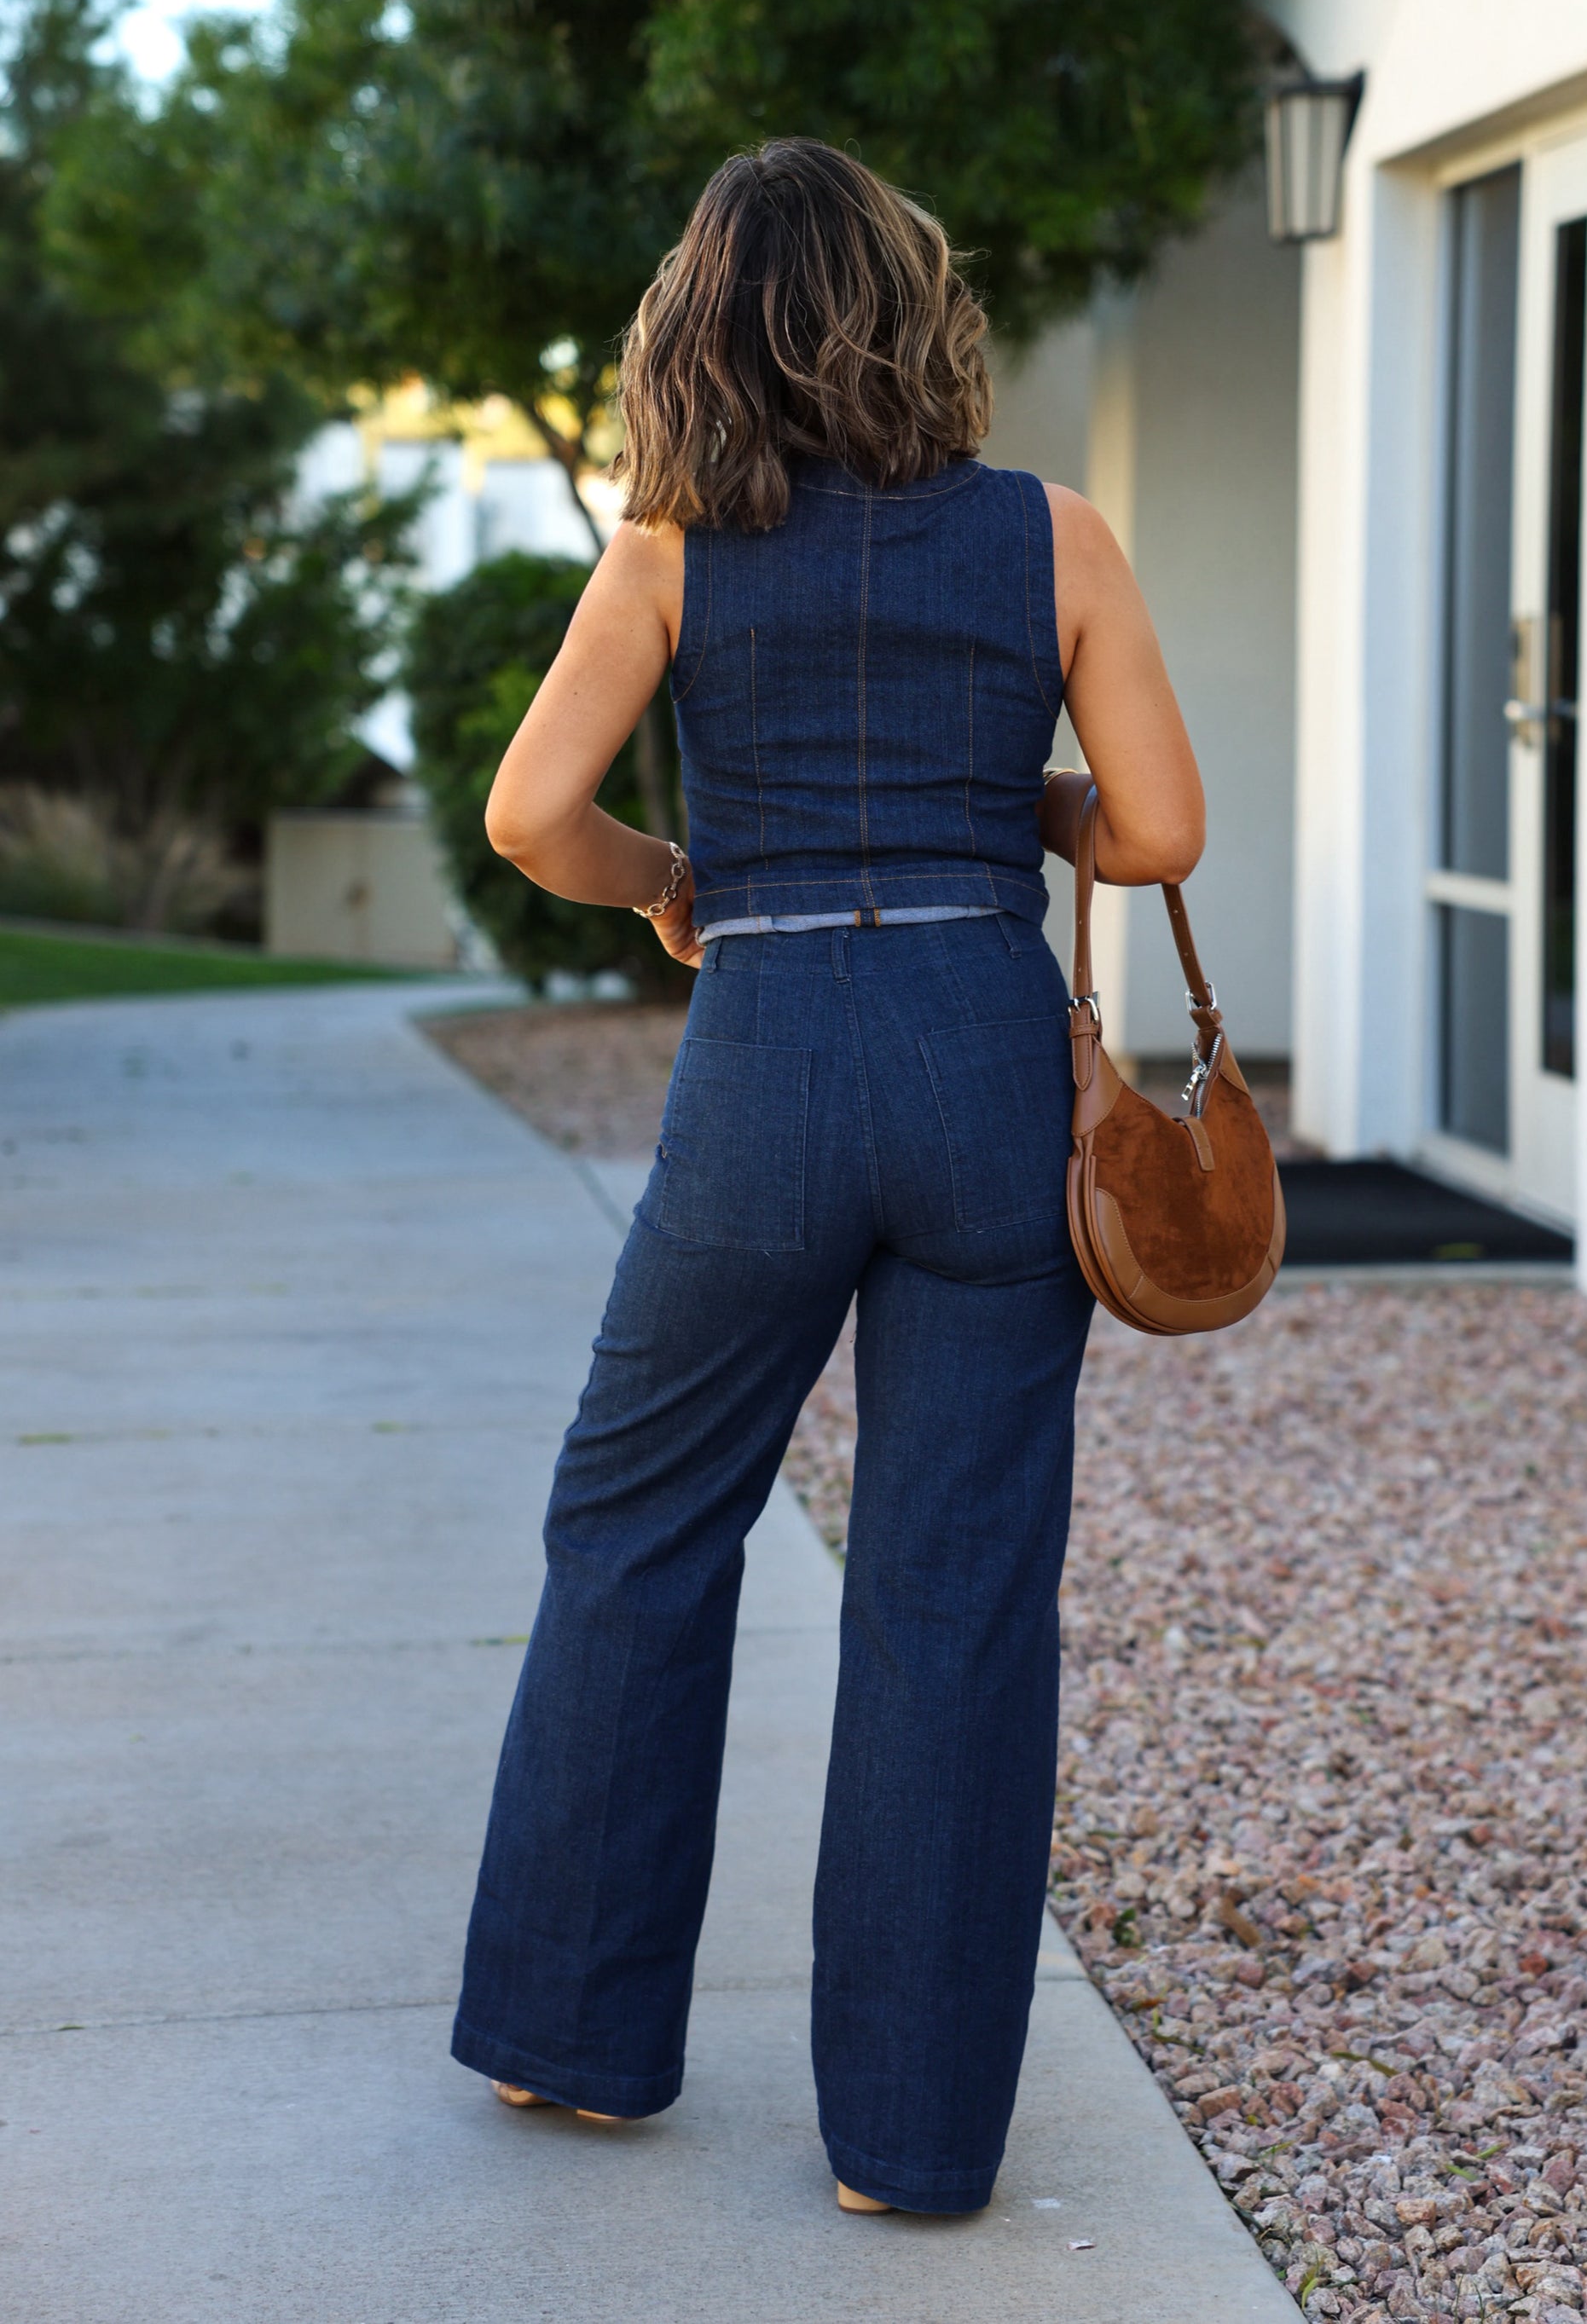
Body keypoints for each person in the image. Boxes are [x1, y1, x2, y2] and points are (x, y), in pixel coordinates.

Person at [451, 136, 1204, 2217]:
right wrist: (1016, 803)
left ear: (701, 328)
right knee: (955, 1592)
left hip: (767, 1057)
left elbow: (528, 816)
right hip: (982, 1056)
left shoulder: (671, 546)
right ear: (910, 307)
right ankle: (908, 2143)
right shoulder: (1054, 533)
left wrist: (671, 878)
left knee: (637, 1520)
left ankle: (572, 2040)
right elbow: (1156, 830)